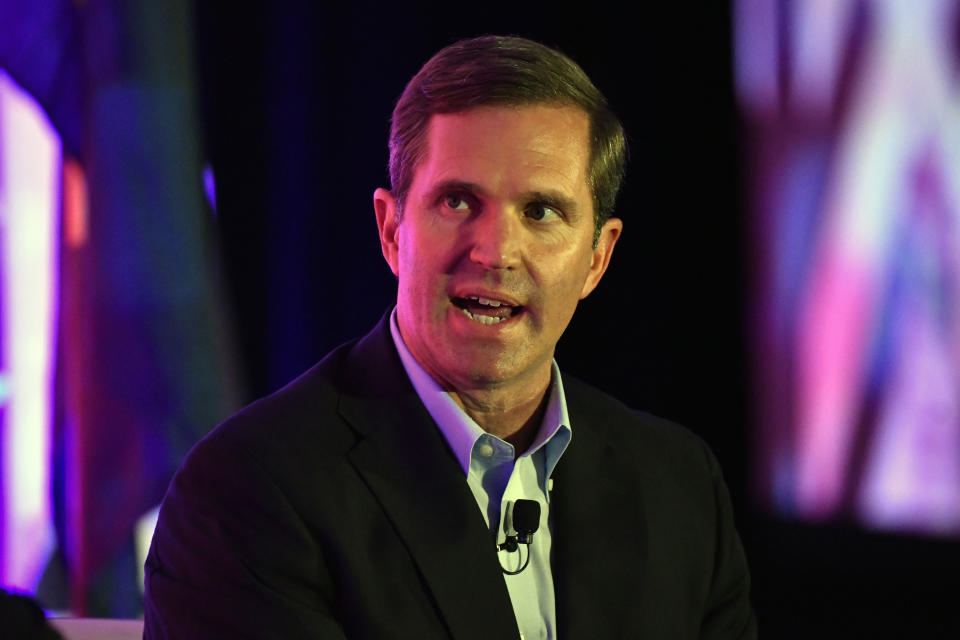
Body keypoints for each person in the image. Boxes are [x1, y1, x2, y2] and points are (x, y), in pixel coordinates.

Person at [143, 35, 757, 639]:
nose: (495, 252)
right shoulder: (247, 492)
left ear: (598, 257)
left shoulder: (679, 486)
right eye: (459, 201)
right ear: (391, 230)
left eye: (541, 211)